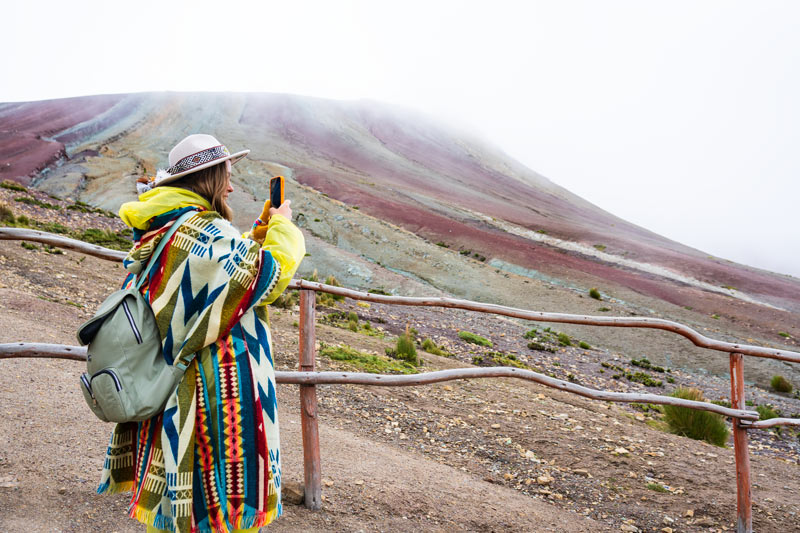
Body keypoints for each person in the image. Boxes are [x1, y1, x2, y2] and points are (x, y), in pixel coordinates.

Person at [97, 133, 305, 533]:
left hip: (171, 382)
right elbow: (265, 278)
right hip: (211, 390)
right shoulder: (201, 230)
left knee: (180, 508)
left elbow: (222, 277)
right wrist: (283, 229)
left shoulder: (169, 228)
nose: (230, 185)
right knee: (215, 508)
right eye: (226, 175)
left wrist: (260, 230)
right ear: (209, 179)